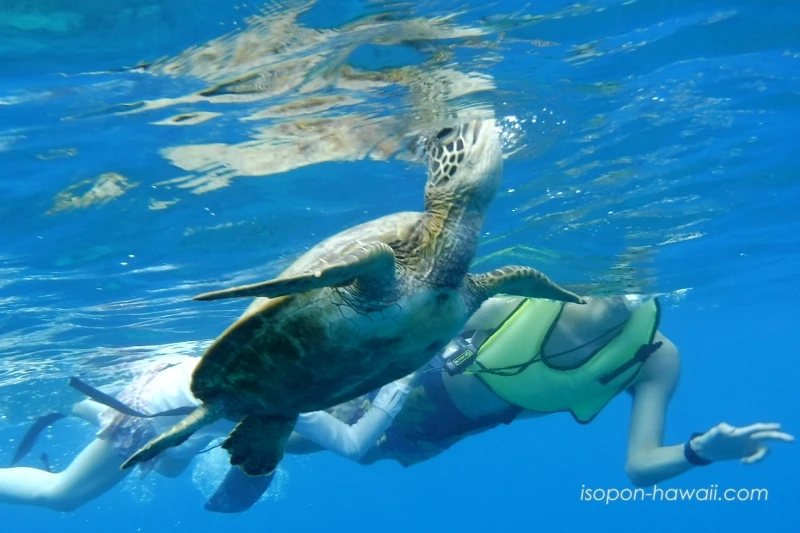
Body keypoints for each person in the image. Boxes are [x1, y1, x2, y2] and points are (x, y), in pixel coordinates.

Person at [285, 293, 794, 485]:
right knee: (317, 427)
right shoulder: (539, 290)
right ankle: (231, 430)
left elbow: (639, 467)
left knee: (352, 451)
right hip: (427, 370)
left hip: (459, 424)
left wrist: (699, 450)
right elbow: (425, 326)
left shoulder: (656, 359)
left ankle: (248, 453)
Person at [0, 353, 413, 513]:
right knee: (63, 497)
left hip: (170, 380)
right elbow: (355, 446)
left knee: (171, 469)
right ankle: (81, 408)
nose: (344, 415)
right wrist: (401, 384)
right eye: (347, 409)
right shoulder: (299, 402)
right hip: (150, 417)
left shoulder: (310, 365)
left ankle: (79, 405)